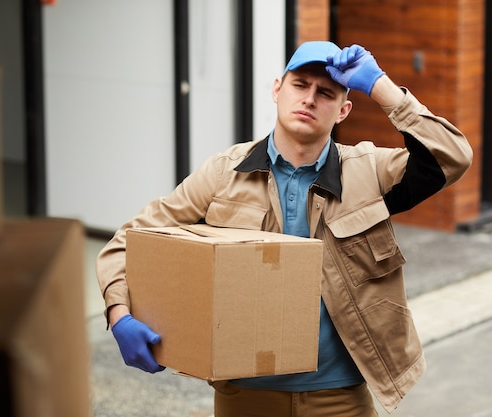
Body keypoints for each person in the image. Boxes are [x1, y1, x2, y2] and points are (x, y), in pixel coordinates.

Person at [96, 41, 473, 416]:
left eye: (325, 92)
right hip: (245, 395)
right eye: (300, 85)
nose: (309, 99)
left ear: (343, 111)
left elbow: (452, 156)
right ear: (277, 90)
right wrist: (119, 315)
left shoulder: (369, 171)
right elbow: (129, 241)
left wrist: (381, 86)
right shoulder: (223, 172)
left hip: (340, 396)